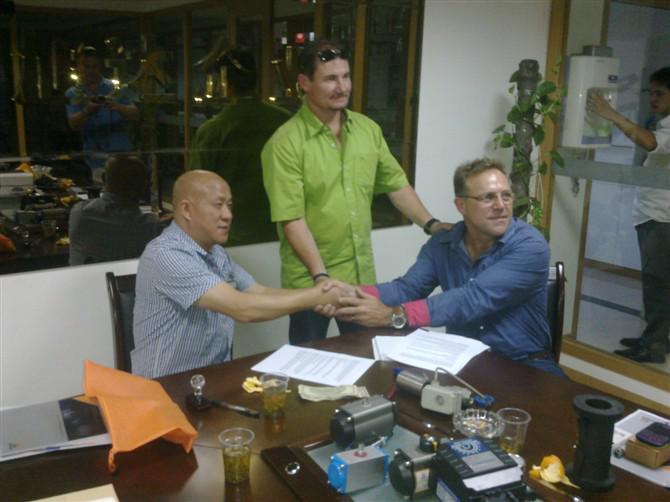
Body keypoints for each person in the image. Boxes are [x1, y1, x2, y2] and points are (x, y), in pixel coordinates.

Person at [261, 39, 449, 345]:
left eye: (346, 76)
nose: (342, 87)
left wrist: (431, 224)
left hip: (360, 275)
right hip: (311, 281)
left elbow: (396, 184)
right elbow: (292, 219)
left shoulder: (367, 130)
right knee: (308, 359)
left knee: (366, 352)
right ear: (305, 83)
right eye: (330, 79)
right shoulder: (285, 143)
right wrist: (321, 277)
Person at [323, 158, 565, 377]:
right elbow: (407, 288)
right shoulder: (443, 243)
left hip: (524, 366)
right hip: (464, 364)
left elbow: (472, 299)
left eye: (506, 196)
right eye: (488, 198)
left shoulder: (530, 246)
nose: (501, 205)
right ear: (461, 205)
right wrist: (350, 294)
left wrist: (394, 316)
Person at [131, 170, 344, 378]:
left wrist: (319, 295)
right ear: (186, 209)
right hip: (165, 387)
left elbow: (259, 292)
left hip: (212, 380)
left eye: (230, 206)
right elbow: (242, 308)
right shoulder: (165, 254)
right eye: (218, 205)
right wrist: (320, 296)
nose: (228, 215)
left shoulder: (217, 253)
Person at [588, 67, 670, 364]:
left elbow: (650, 143)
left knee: (657, 285)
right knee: (658, 283)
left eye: (660, 93)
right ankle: (655, 337)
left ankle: (654, 346)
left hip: (661, 218)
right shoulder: (664, 123)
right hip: (652, 214)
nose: (653, 99)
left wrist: (612, 115)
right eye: (651, 93)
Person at [190, 48, 291, 246]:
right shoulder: (286, 121)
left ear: (224, 81)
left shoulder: (214, 130)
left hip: (234, 235)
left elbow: (197, 189)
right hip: (283, 231)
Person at [68, 155, 160, 265]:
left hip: (85, 276)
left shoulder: (79, 213)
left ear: (103, 178)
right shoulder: (151, 227)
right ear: (144, 185)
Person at [65, 46, 139, 183]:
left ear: (100, 67)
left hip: (121, 155)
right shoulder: (73, 93)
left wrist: (117, 106)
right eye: (86, 66)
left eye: (94, 66)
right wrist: (87, 111)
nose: (91, 70)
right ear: (78, 67)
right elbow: (73, 124)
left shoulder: (114, 89)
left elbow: (135, 114)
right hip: (94, 159)